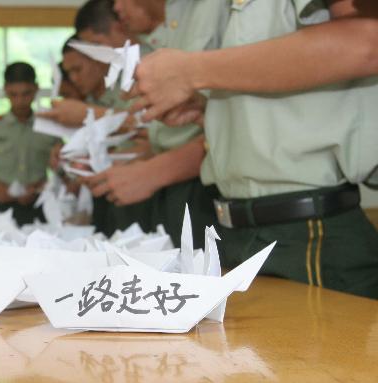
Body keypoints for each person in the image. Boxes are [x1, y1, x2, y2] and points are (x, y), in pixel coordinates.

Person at [131, 0, 378, 298]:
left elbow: (365, 42)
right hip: (244, 228)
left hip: (306, 231)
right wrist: (221, 112)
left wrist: (190, 70)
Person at [84, 0, 229, 247]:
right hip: (174, 186)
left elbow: (235, 125)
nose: (117, 8)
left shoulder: (214, 8)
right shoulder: (168, 30)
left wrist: (153, 171)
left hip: (203, 185)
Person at [0, 62, 60, 226]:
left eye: (26, 94)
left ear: (36, 89)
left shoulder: (50, 127)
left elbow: (63, 169)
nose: (20, 101)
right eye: (13, 94)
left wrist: (43, 185)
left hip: (39, 208)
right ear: (5, 90)